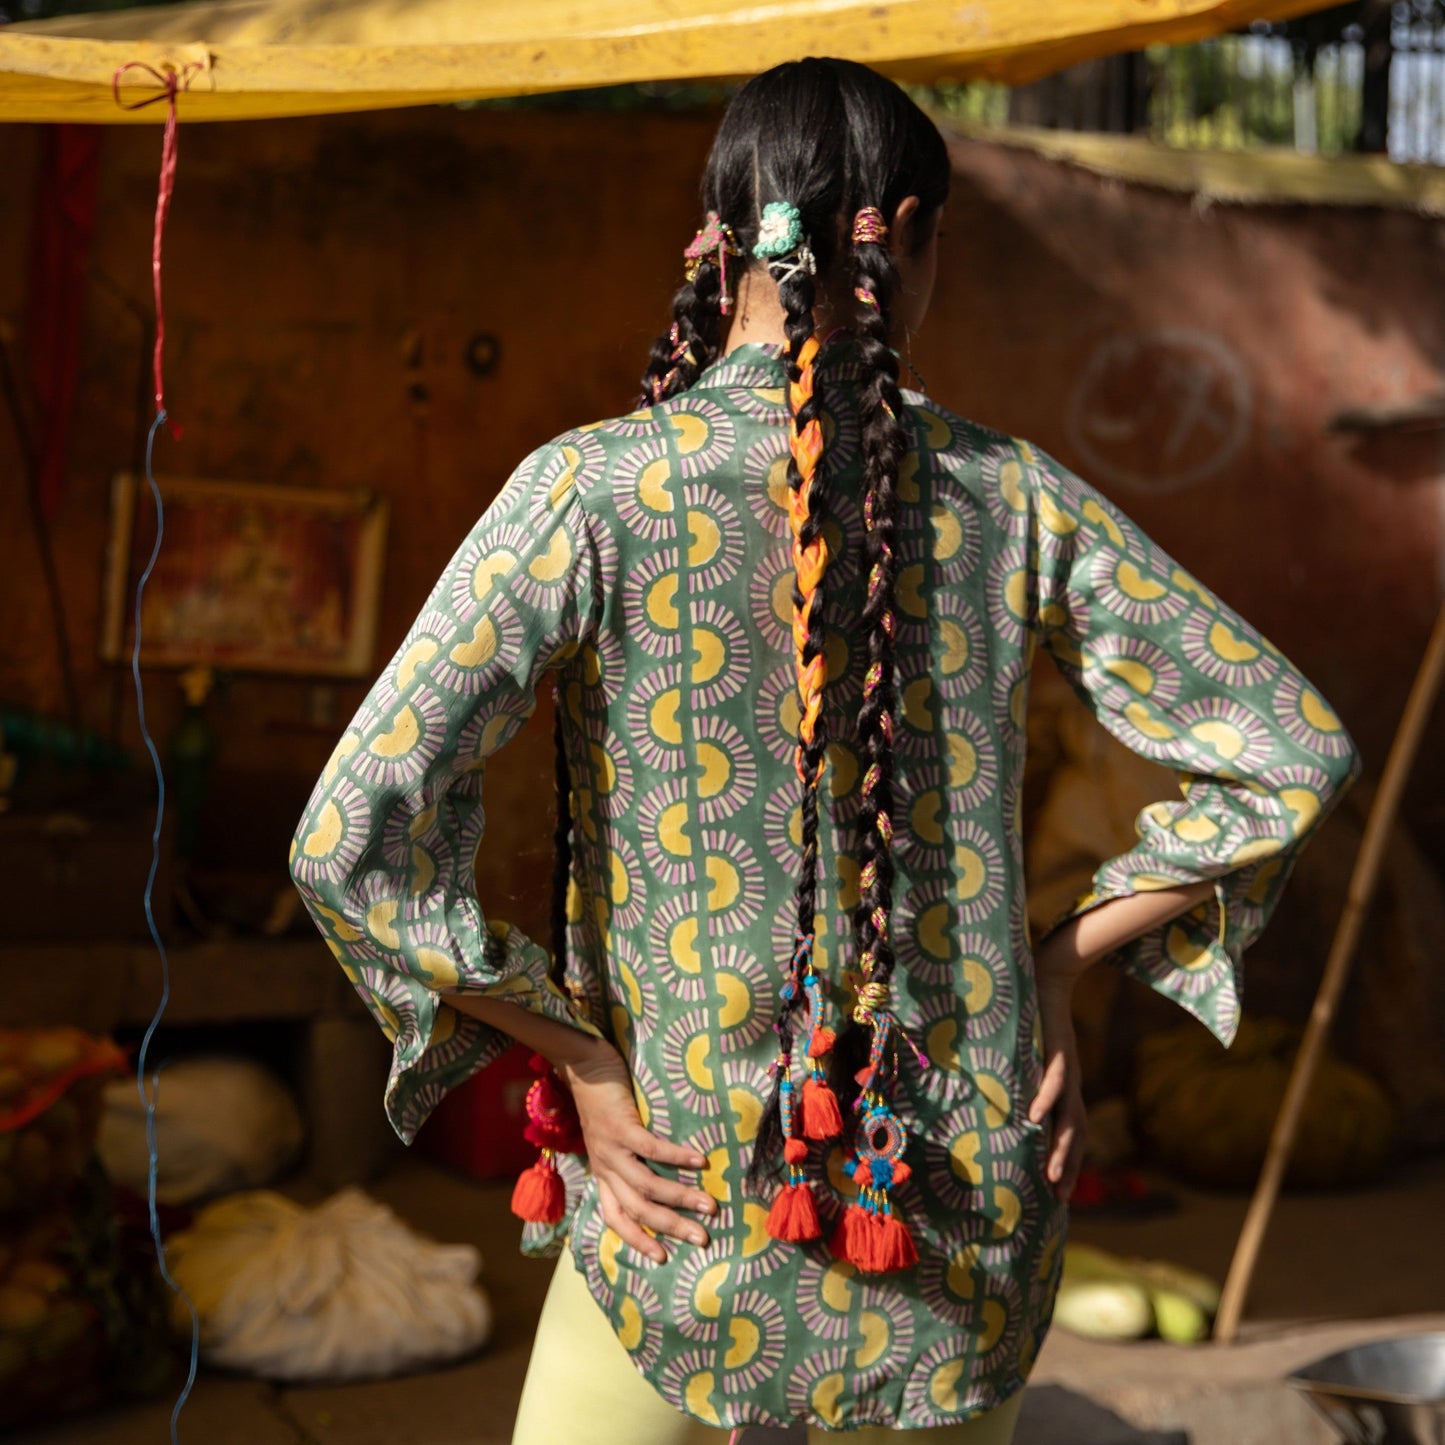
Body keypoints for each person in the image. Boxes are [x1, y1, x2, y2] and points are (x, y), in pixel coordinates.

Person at [289, 57, 1360, 1444]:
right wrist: (1054, 959)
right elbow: (1288, 746)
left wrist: (578, 1059)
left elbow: (344, 835)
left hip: (675, 1199)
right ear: (907, 232)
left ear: (717, 236)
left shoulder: (590, 491)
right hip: (952, 1206)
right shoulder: (1011, 499)